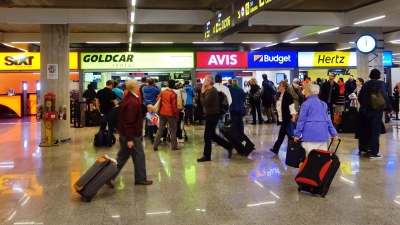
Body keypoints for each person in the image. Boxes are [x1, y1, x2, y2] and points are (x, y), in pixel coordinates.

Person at [109, 79, 153, 187]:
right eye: (138, 85)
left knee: (122, 157)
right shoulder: (132, 102)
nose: (139, 86)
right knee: (139, 156)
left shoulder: (128, 98)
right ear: (134, 87)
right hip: (132, 135)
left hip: (125, 133)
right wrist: (130, 139)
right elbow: (129, 121)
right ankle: (140, 179)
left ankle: (108, 176)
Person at [358, 69, 393, 159]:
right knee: (375, 132)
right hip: (377, 111)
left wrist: (364, 106)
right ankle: (374, 153)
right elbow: (385, 96)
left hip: (366, 112)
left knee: (368, 130)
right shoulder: (381, 84)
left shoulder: (366, 84)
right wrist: (390, 108)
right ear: (378, 75)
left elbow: (360, 97)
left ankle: (367, 148)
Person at [294, 84, 339, 154]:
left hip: (309, 135)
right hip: (323, 135)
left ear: (310, 92)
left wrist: (297, 135)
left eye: (305, 90)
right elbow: (328, 121)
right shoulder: (324, 104)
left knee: (309, 159)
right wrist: (334, 134)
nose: (304, 92)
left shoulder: (305, 104)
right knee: (321, 159)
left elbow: (301, 121)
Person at [197, 75, 233, 162]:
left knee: (207, 136)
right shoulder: (209, 90)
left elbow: (204, 103)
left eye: (205, 80)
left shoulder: (212, 91)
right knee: (212, 135)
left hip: (212, 114)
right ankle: (228, 146)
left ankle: (207, 156)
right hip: (210, 114)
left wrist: (202, 93)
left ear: (209, 82)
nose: (203, 82)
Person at [153, 80, 181, 151]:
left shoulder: (163, 92)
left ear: (168, 85)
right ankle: (174, 146)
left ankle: (155, 145)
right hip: (170, 113)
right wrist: (177, 116)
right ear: (174, 85)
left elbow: (157, 99)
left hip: (162, 112)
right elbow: (174, 107)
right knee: (173, 129)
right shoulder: (173, 94)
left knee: (160, 129)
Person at [270, 81, 297, 154]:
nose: (279, 86)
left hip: (287, 118)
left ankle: (278, 149)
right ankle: (292, 149)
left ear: (284, 87)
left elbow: (291, 106)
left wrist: (293, 116)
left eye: (280, 85)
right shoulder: (279, 95)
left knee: (286, 134)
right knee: (287, 134)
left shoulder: (288, 95)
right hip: (282, 118)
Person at [95, 80, 118, 147]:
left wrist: (100, 111)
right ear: (111, 85)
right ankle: (108, 144)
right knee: (110, 128)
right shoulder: (112, 93)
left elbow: (97, 104)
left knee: (102, 128)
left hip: (103, 113)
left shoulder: (99, 92)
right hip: (111, 113)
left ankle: (100, 144)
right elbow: (116, 103)